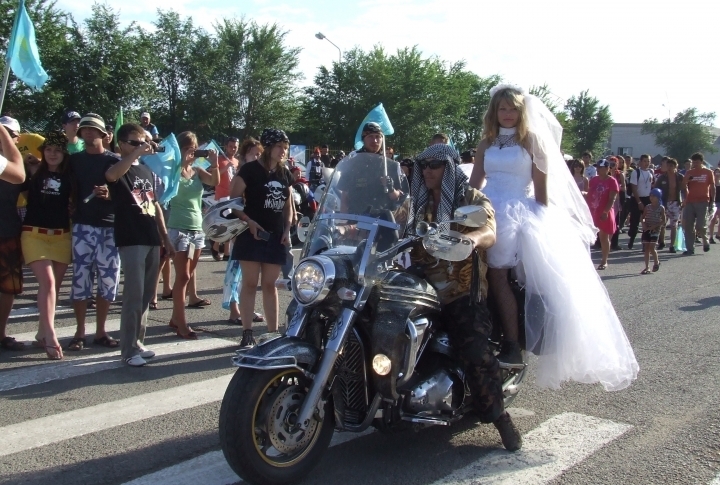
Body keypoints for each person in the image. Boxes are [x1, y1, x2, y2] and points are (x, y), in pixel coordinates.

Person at [469, 84, 638, 390]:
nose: (507, 114)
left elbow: (541, 191)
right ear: (494, 112)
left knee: (497, 275)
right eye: (502, 109)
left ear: (522, 113)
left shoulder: (532, 141)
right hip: (488, 209)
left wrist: (538, 225)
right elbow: (475, 183)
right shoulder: (486, 143)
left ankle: (511, 340)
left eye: (513, 109)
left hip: (518, 211)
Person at [408, 143, 521, 451]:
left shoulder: (469, 198)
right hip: (421, 288)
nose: (428, 171)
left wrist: (472, 239)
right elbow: (390, 227)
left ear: (450, 168)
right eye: (424, 166)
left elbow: (489, 231)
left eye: (435, 166)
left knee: (475, 350)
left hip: (459, 290)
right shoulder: (414, 202)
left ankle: (499, 415)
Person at [106, 123, 175, 366]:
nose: (142, 146)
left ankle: (137, 342)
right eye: (135, 142)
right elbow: (111, 177)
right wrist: (135, 153)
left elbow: (154, 205)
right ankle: (128, 350)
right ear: (122, 144)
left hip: (151, 237)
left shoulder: (146, 171)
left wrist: (165, 237)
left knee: (146, 295)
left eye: (144, 141)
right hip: (131, 237)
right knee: (133, 295)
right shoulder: (118, 166)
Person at [230, 129, 293, 348]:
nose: (283, 151)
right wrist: (248, 221)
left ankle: (272, 333)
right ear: (268, 147)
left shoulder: (285, 173)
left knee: (270, 285)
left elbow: (288, 206)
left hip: (275, 235)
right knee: (249, 283)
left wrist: (287, 228)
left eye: (285, 147)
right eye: (279, 146)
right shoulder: (249, 170)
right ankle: (247, 332)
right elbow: (233, 201)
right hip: (250, 234)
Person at [66, 113, 121, 351]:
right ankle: (79, 332)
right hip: (82, 226)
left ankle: (101, 331)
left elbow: (128, 194)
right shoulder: (74, 160)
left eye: (93, 129)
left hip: (110, 227)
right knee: (80, 281)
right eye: (84, 129)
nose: (88, 132)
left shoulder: (114, 160)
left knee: (108, 282)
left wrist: (110, 194)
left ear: (102, 134)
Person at [20, 131, 73, 360]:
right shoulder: (31, 172)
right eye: (48, 150)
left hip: (62, 236)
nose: (52, 154)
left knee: (53, 289)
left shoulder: (71, 176)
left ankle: (42, 333)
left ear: (64, 153)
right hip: (34, 235)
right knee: (48, 283)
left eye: (57, 150)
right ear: (42, 152)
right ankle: (51, 336)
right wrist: (25, 163)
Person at [167, 131, 219, 339]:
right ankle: (182, 324)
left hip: (197, 228)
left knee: (188, 276)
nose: (191, 152)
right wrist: (180, 162)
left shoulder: (197, 170)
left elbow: (215, 182)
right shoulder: (172, 170)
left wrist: (214, 163)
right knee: (183, 276)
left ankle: (174, 317)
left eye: (194, 148)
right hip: (178, 227)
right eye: (187, 148)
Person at [337, 122, 405, 214]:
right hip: (355, 220)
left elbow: (398, 198)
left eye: (378, 136)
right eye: (370, 137)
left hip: (382, 220)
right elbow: (344, 197)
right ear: (363, 139)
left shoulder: (392, 165)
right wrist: (343, 221)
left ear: (382, 139)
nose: (375, 141)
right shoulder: (352, 163)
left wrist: (391, 188)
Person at [0, 117, 26, 353]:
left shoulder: (28, 164)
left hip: (8, 230)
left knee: (8, 286)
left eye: (9, 133)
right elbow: (17, 174)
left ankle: (1, 334)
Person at [212, 136, 240, 261]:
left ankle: (224, 250)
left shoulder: (237, 162)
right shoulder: (219, 159)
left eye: (235, 147)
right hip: (222, 196)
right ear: (226, 146)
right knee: (227, 223)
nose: (232, 149)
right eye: (230, 146)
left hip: (233, 195)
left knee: (231, 224)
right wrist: (225, 166)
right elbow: (214, 175)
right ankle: (217, 245)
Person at [586, 159, 618, 270]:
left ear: (608, 169)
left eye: (603, 168)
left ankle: (604, 261)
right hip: (593, 211)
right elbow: (590, 194)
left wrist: (605, 212)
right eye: (598, 168)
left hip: (605, 211)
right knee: (588, 236)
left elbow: (612, 198)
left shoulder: (612, 181)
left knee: (604, 237)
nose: (600, 170)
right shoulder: (593, 180)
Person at [681, 152, 716, 255]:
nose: (695, 164)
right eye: (693, 162)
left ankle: (705, 240)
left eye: (697, 162)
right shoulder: (689, 172)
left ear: (701, 162)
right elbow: (683, 186)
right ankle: (690, 249)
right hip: (690, 201)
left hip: (703, 201)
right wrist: (686, 180)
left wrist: (712, 200)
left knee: (700, 225)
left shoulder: (708, 172)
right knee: (688, 226)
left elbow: (712, 186)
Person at [653, 158, 684, 253]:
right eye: (668, 166)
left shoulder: (680, 177)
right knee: (662, 224)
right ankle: (661, 242)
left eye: (672, 166)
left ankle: (672, 245)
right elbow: (656, 188)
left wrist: (684, 200)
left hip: (675, 202)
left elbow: (685, 189)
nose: (669, 168)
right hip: (664, 202)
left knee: (673, 225)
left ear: (676, 167)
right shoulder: (662, 177)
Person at [626, 154, 654, 250]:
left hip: (647, 199)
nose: (647, 163)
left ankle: (644, 242)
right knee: (635, 221)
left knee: (647, 222)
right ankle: (632, 240)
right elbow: (633, 187)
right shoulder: (636, 172)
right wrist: (639, 202)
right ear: (641, 162)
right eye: (645, 161)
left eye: (648, 161)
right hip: (637, 199)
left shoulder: (650, 173)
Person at [641, 189, 665, 274]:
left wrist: (655, 226)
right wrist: (644, 225)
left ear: (658, 197)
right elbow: (643, 217)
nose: (651, 198)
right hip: (647, 229)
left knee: (652, 247)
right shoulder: (647, 207)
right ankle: (647, 267)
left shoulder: (661, 208)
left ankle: (656, 262)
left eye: (654, 196)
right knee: (646, 248)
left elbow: (663, 220)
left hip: (655, 230)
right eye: (650, 196)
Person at [610, 156, 627, 250]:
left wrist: (616, 186)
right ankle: (601, 242)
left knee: (615, 221)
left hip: (616, 200)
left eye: (614, 164)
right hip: (607, 198)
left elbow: (624, 188)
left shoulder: (620, 174)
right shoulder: (606, 173)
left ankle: (614, 243)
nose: (612, 166)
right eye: (610, 164)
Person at [708, 168, 720, 243]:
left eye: (719, 173)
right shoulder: (711, 184)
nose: (717, 174)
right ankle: (711, 237)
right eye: (716, 173)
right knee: (713, 220)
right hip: (713, 202)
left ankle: (718, 234)